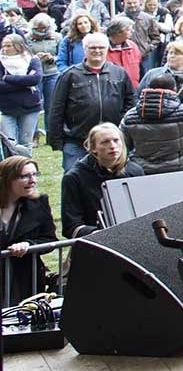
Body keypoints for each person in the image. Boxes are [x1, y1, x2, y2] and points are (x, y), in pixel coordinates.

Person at [48, 32, 135, 175]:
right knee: (74, 176)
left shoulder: (119, 73)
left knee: (114, 177)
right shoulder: (70, 75)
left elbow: (130, 102)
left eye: (101, 47)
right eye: (92, 48)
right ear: (85, 49)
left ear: (107, 49)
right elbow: (57, 108)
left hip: (111, 140)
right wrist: (56, 140)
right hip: (77, 140)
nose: (97, 51)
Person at [120, 68, 183, 176]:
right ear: (176, 90)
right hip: (180, 172)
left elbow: (122, 146)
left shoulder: (130, 117)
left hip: (143, 173)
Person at [61, 122, 143, 237]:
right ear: (93, 148)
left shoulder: (135, 171)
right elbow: (71, 226)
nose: (112, 146)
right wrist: (97, 234)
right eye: (105, 142)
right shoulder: (74, 178)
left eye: (116, 140)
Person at [0, 156, 57, 304]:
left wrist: (29, 244)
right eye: (24, 176)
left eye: (35, 174)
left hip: (26, 280)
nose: (33, 180)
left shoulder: (39, 203)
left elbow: (50, 239)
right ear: (7, 179)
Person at [1, 34, 43, 159]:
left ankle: (26, 166)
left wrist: (7, 78)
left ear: (18, 46)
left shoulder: (32, 60)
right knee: (9, 142)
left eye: (9, 46)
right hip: (6, 107)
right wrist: (24, 83)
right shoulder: (1, 62)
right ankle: (13, 166)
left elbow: (35, 79)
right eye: (3, 46)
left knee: (26, 142)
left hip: (30, 106)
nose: (5, 49)